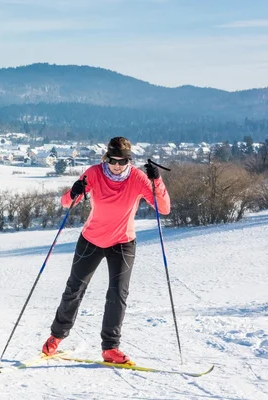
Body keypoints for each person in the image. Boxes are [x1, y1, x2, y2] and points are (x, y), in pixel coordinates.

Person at [42, 136, 170, 364]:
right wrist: (74, 192)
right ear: (106, 158)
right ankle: (56, 337)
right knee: (75, 288)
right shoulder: (93, 173)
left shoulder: (139, 178)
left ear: (129, 160)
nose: (117, 166)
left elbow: (164, 208)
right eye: (113, 160)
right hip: (91, 239)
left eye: (122, 161)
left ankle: (110, 348)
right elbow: (65, 202)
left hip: (123, 242)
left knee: (118, 293)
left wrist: (157, 181)